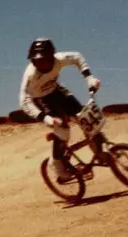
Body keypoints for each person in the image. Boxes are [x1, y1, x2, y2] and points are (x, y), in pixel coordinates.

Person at [19, 38, 101, 181]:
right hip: (40, 100)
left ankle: (99, 150)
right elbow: (24, 101)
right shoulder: (31, 75)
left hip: (57, 91)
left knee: (85, 116)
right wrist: (45, 118)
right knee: (63, 130)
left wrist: (89, 77)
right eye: (37, 61)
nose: (41, 65)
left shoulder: (59, 60)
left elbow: (77, 57)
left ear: (52, 57)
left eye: (44, 60)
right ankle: (56, 163)